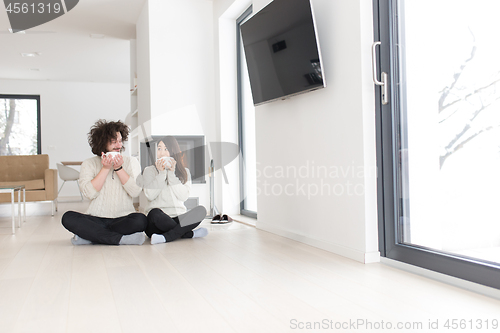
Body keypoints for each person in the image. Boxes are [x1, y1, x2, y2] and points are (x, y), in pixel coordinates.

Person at [61, 119, 147, 245]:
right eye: (113, 142)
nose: (118, 145)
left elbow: (135, 191)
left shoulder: (131, 162)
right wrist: (105, 168)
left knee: (141, 220)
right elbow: (89, 193)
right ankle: (119, 239)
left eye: (120, 141)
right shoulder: (89, 163)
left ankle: (90, 236)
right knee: (68, 217)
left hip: (123, 218)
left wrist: (118, 168)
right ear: (102, 143)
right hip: (95, 218)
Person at [141, 136, 207, 245]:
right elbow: (150, 195)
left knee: (201, 210)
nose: (162, 153)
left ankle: (166, 237)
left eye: (166, 149)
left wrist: (171, 174)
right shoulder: (149, 171)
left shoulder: (184, 172)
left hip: (177, 218)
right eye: (159, 149)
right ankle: (188, 234)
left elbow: (183, 196)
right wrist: (161, 173)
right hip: (156, 223)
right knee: (154, 213)